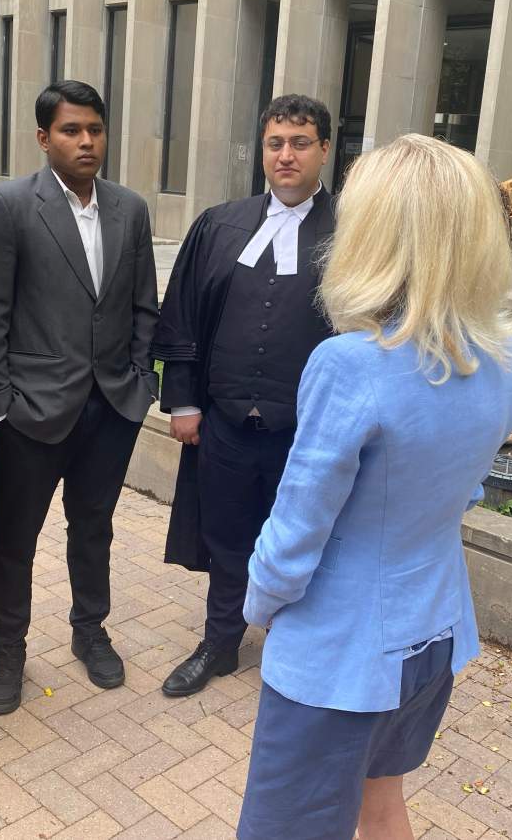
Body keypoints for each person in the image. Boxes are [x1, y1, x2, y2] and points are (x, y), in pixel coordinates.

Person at [236, 134, 512, 840]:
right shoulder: (500, 357)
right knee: (381, 801)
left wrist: (260, 603)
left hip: (341, 652)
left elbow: (297, 526)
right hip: (434, 631)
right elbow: (465, 492)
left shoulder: (352, 365)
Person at [0, 80, 159, 713]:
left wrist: (140, 381)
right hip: (32, 410)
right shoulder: (6, 205)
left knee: (94, 528)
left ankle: (90, 631)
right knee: (16, 538)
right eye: (71, 131)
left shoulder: (129, 209)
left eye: (95, 130)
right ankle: (8, 649)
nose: (86, 142)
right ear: (43, 137)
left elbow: (144, 304)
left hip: (111, 407)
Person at [152, 94, 335, 697]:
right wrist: (182, 400)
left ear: (324, 151)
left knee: (305, 540)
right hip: (226, 423)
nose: (286, 155)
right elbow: (180, 316)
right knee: (228, 535)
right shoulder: (221, 223)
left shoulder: (354, 233)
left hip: (309, 432)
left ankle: (294, 649)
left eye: (300, 143)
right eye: (275, 143)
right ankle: (220, 644)